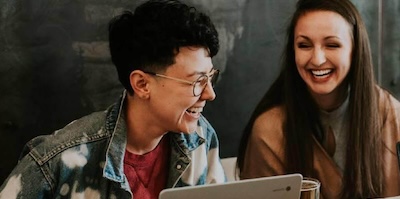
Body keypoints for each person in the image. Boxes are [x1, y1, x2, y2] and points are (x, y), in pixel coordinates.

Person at [0, 0, 226, 198]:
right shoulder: (58, 161)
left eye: (210, 78)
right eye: (196, 81)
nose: (210, 94)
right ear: (142, 84)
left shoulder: (201, 137)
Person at [237, 0, 400, 198]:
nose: (317, 59)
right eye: (304, 45)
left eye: (332, 45)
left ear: (355, 50)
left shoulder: (391, 115)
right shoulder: (270, 130)